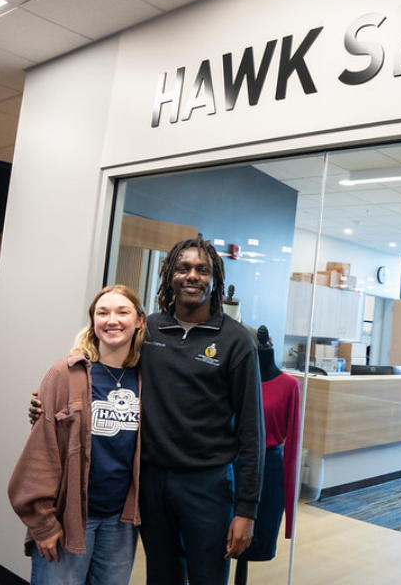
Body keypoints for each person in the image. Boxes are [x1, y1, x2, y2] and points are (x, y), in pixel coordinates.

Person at [138, 236, 265, 585]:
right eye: (183, 268)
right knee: (161, 577)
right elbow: (106, 374)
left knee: (208, 577)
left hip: (207, 485)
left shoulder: (236, 340)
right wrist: (53, 398)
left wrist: (246, 511)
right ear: (170, 276)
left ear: (215, 279)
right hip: (152, 481)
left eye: (202, 270)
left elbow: (252, 431)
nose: (192, 276)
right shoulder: (148, 329)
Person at [9, 285, 146, 585]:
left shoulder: (146, 379)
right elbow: (41, 452)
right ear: (93, 321)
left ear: (139, 321)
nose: (112, 320)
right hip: (69, 516)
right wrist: (43, 524)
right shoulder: (66, 374)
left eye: (123, 312)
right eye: (103, 313)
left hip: (120, 522)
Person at [234, 326, 301, 585]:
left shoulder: (289, 385)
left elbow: (293, 443)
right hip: (230, 463)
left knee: (254, 538)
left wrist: (289, 511)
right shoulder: (238, 380)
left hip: (268, 468)